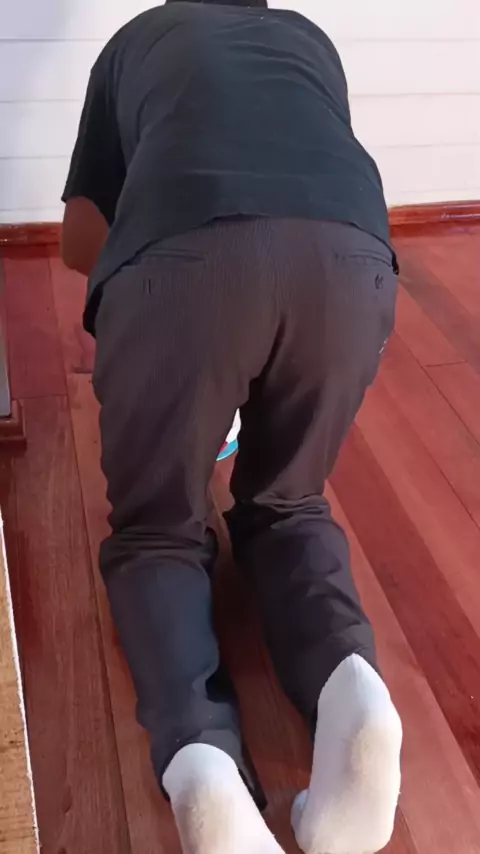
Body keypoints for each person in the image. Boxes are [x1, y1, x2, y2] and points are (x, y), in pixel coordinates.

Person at [61, 1, 403, 852]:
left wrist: (167, 348)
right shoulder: (308, 38)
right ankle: (353, 690)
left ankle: (202, 763)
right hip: (353, 260)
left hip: (184, 264)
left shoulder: (136, 42)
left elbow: (79, 241)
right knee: (289, 500)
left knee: (158, 531)